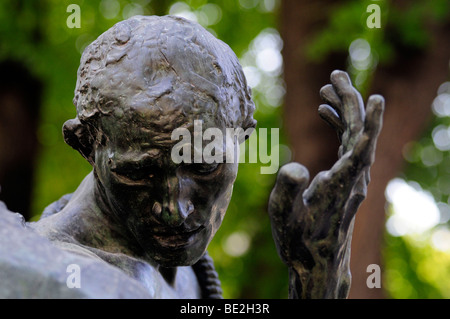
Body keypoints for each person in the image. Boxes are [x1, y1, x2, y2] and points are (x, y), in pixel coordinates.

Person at [1, 15, 384, 299]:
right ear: (86, 145)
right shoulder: (39, 275)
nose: (176, 211)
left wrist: (316, 278)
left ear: (244, 138)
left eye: (204, 167)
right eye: (140, 172)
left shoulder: (185, 275)